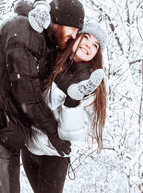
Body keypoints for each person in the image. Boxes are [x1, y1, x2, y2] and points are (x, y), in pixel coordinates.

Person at [0, 0, 85, 193]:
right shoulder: (25, 31)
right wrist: (53, 133)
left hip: (5, 134)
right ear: (58, 21)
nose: (74, 36)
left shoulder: (42, 41)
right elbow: (26, 92)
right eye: (73, 28)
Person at [21, 22, 108, 193]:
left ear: (96, 54)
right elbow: (34, 101)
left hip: (55, 153)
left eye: (95, 46)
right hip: (30, 147)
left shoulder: (91, 82)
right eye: (86, 38)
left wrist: (72, 102)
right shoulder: (52, 59)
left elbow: (75, 132)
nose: (88, 46)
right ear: (75, 37)